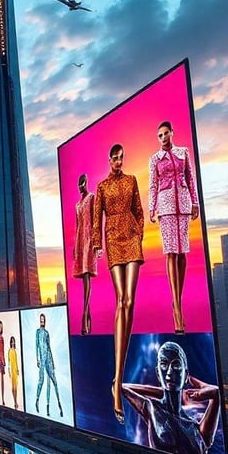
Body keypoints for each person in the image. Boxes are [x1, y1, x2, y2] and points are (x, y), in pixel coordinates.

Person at [92, 143, 144, 425]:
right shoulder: (101, 187)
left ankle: (118, 380)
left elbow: (138, 209)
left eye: (122, 157)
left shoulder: (132, 180)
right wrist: (98, 244)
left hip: (132, 239)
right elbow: (97, 219)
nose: (119, 162)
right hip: (113, 240)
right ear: (109, 159)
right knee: (121, 300)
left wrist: (138, 230)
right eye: (115, 158)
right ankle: (118, 382)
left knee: (130, 301)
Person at [121, 341, 220, 454]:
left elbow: (216, 394)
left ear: (186, 375)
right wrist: (163, 390)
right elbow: (120, 387)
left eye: (176, 365)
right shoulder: (152, 408)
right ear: (158, 373)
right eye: (164, 364)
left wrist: (213, 391)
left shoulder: (196, 428)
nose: (169, 372)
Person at [148, 121, 199, 335]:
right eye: (159, 135)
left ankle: (178, 299)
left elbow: (190, 177)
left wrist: (195, 202)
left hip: (184, 204)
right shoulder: (154, 159)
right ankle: (176, 308)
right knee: (170, 252)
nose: (163, 137)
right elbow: (152, 184)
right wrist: (152, 207)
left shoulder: (183, 153)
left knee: (182, 253)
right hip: (166, 206)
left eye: (165, 133)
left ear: (172, 133)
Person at [73, 173, 98, 334]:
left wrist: (97, 243)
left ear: (86, 183)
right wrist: (75, 247)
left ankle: (84, 316)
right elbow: (77, 226)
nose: (81, 186)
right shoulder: (77, 205)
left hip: (90, 239)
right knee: (84, 278)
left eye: (83, 183)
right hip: (80, 241)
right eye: (79, 184)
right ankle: (88, 315)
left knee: (88, 275)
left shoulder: (91, 198)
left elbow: (95, 220)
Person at [35, 313, 63, 417]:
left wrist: (53, 361)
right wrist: (37, 359)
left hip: (48, 358)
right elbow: (36, 345)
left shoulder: (47, 333)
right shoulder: (37, 332)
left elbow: (49, 346)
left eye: (44, 320)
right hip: (42, 359)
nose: (42, 322)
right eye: (41, 320)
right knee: (41, 381)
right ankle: (37, 401)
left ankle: (58, 405)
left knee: (53, 381)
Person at [7, 336, 20, 409]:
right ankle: (14, 401)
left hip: (15, 369)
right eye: (11, 341)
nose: (12, 342)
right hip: (11, 370)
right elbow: (9, 362)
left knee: (16, 387)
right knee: (13, 387)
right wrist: (9, 371)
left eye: (13, 341)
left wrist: (17, 369)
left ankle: (16, 401)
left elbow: (16, 361)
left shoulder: (15, 350)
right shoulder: (9, 351)